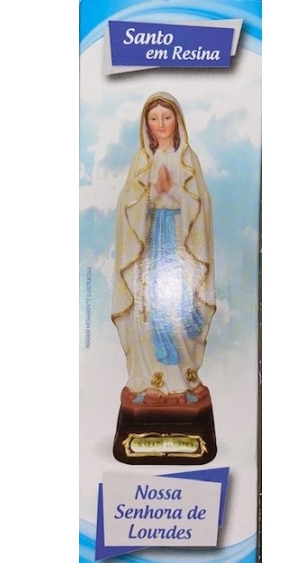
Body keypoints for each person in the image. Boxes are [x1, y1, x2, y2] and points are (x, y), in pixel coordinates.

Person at [112, 92, 216, 404]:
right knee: (148, 305)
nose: (161, 124)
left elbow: (200, 204)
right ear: (146, 123)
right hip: (150, 242)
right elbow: (128, 205)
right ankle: (150, 378)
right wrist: (153, 192)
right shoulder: (142, 160)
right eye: (154, 118)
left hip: (180, 242)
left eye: (166, 117)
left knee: (178, 306)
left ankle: (183, 376)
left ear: (177, 120)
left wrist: (171, 192)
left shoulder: (187, 159)